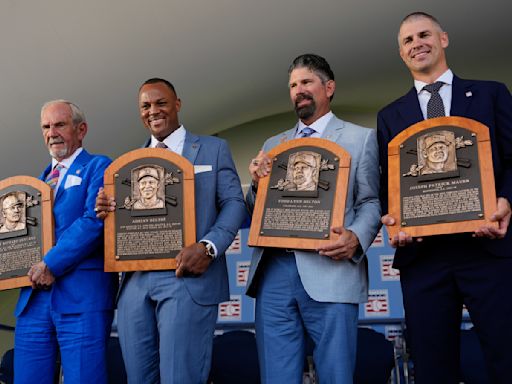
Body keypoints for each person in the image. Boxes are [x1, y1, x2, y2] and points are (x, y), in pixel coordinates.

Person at [377, 12, 512, 383]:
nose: (417, 44)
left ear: (444, 39)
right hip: (424, 259)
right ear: (401, 53)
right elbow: (388, 182)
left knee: (506, 355)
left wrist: (507, 201)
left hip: (487, 249)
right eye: (408, 40)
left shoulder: (491, 93)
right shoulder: (390, 115)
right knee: (433, 368)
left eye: (424, 35)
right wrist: (394, 220)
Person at [96, 78, 246, 384]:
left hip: (187, 276)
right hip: (136, 284)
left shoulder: (213, 149)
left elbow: (234, 203)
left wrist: (208, 247)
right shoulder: (126, 165)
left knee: (182, 377)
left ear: (177, 104)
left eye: (161, 103)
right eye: (146, 106)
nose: (153, 111)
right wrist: (107, 210)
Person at [246, 54, 381, 383]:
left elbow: (371, 201)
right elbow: (255, 209)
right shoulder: (272, 145)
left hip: (330, 270)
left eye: (306, 82)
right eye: (293, 85)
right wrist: (254, 184)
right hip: (274, 272)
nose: (298, 91)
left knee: (336, 375)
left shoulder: (360, 138)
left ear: (329, 87)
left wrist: (356, 237)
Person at [14, 100, 116, 383]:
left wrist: (51, 263)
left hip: (81, 296)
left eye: (59, 124)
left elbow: (92, 220)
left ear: (81, 129)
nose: (52, 132)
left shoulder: (99, 166)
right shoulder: (37, 181)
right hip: (33, 299)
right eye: (46, 127)